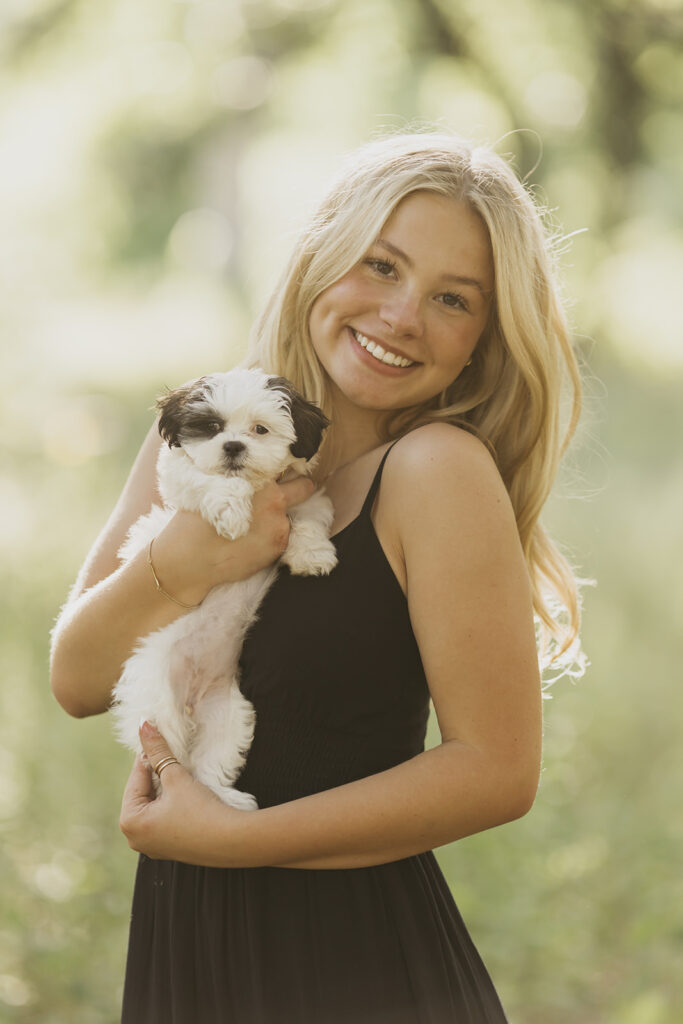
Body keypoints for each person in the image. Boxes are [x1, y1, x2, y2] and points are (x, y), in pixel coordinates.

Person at [50, 131, 585, 1023]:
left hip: (349, 963)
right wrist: (179, 561)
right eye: (380, 266)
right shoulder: (205, 427)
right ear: (319, 256)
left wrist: (240, 839)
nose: (402, 314)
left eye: (451, 298)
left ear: (481, 340)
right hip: (188, 950)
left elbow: (496, 771)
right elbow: (76, 681)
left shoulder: (435, 470)